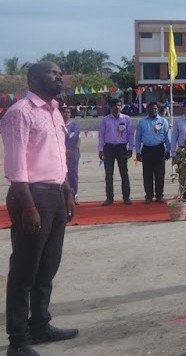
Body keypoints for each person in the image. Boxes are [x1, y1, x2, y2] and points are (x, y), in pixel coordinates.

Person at [1, 61, 79, 356]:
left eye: (61, 72)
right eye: (52, 72)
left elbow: (59, 158)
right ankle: (18, 340)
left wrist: (68, 191)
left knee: (48, 266)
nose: (59, 76)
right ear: (33, 78)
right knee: (24, 270)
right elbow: (16, 166)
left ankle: (40, 325)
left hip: (56, 194)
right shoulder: (20, 113)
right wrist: (28, 207)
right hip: (31, 196)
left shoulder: (55, 112)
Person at [98, 98, 134, 206]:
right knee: (109, 174)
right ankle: (109, 198)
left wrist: (130, 148)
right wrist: (100, 150)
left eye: (119, 105)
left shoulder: (126, 119)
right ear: (110, 107)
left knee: (124, 173)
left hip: (121, 148)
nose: (117, 108)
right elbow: (101, 136)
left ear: (121, 106)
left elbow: (130, 135)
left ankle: (126, 197)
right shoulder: (105, 120)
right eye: (114, 106)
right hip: (108, 148)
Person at [134, 102, 171, 203]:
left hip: (159, 149)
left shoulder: (163, 121)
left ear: (158, 110)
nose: (153, 110)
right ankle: (149, 196)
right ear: (147, 110)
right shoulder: (142, 122)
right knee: (147, 174)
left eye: (155, 109)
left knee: (160, 174)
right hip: (146, 150)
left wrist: (169, 150)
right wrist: (137, 152)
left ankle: (159, 195)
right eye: (151, 109)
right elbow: (137, 138)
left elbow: (168, 137)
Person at [60, 106, 81, 205]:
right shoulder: (58, 126)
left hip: (73, 155)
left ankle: (74, 195)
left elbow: (78, 140)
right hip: (60, 154)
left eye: (68, 112)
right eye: (64, 112)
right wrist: (64, 151)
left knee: (73, 175)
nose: (66, 114)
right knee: (62, 176)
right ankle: (63, 197)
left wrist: (73, 151)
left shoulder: (74, 126)